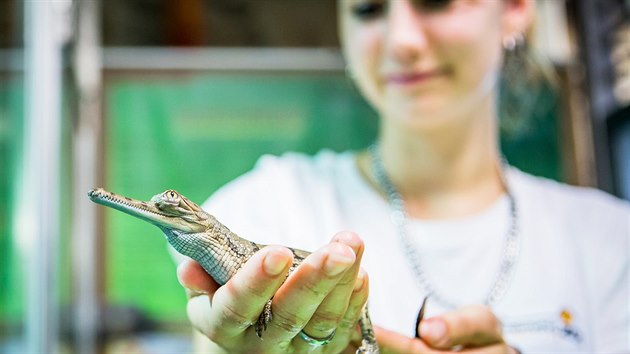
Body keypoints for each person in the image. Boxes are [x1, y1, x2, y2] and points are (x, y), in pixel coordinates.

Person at [176, 0, 630, 352]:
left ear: (514, 9)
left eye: (436, 1)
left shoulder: (610, 242)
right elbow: (215, 333)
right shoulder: (264, 205)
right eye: (368, 9)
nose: (401, 41)